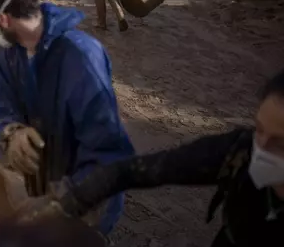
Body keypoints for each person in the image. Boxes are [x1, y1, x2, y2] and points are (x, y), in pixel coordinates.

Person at [28, 70, 284, 247]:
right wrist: (65, 207)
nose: (260, 149)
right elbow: (131, 171)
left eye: (279, 143)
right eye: (258, 130)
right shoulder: (238, 153)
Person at [0, 0, 135, 235]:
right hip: (46, 180)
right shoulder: (9, 51)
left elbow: (106, 149)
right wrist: (9, 132)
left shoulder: (80, 57)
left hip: (88, 198)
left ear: (2, 19)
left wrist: (68, 203)